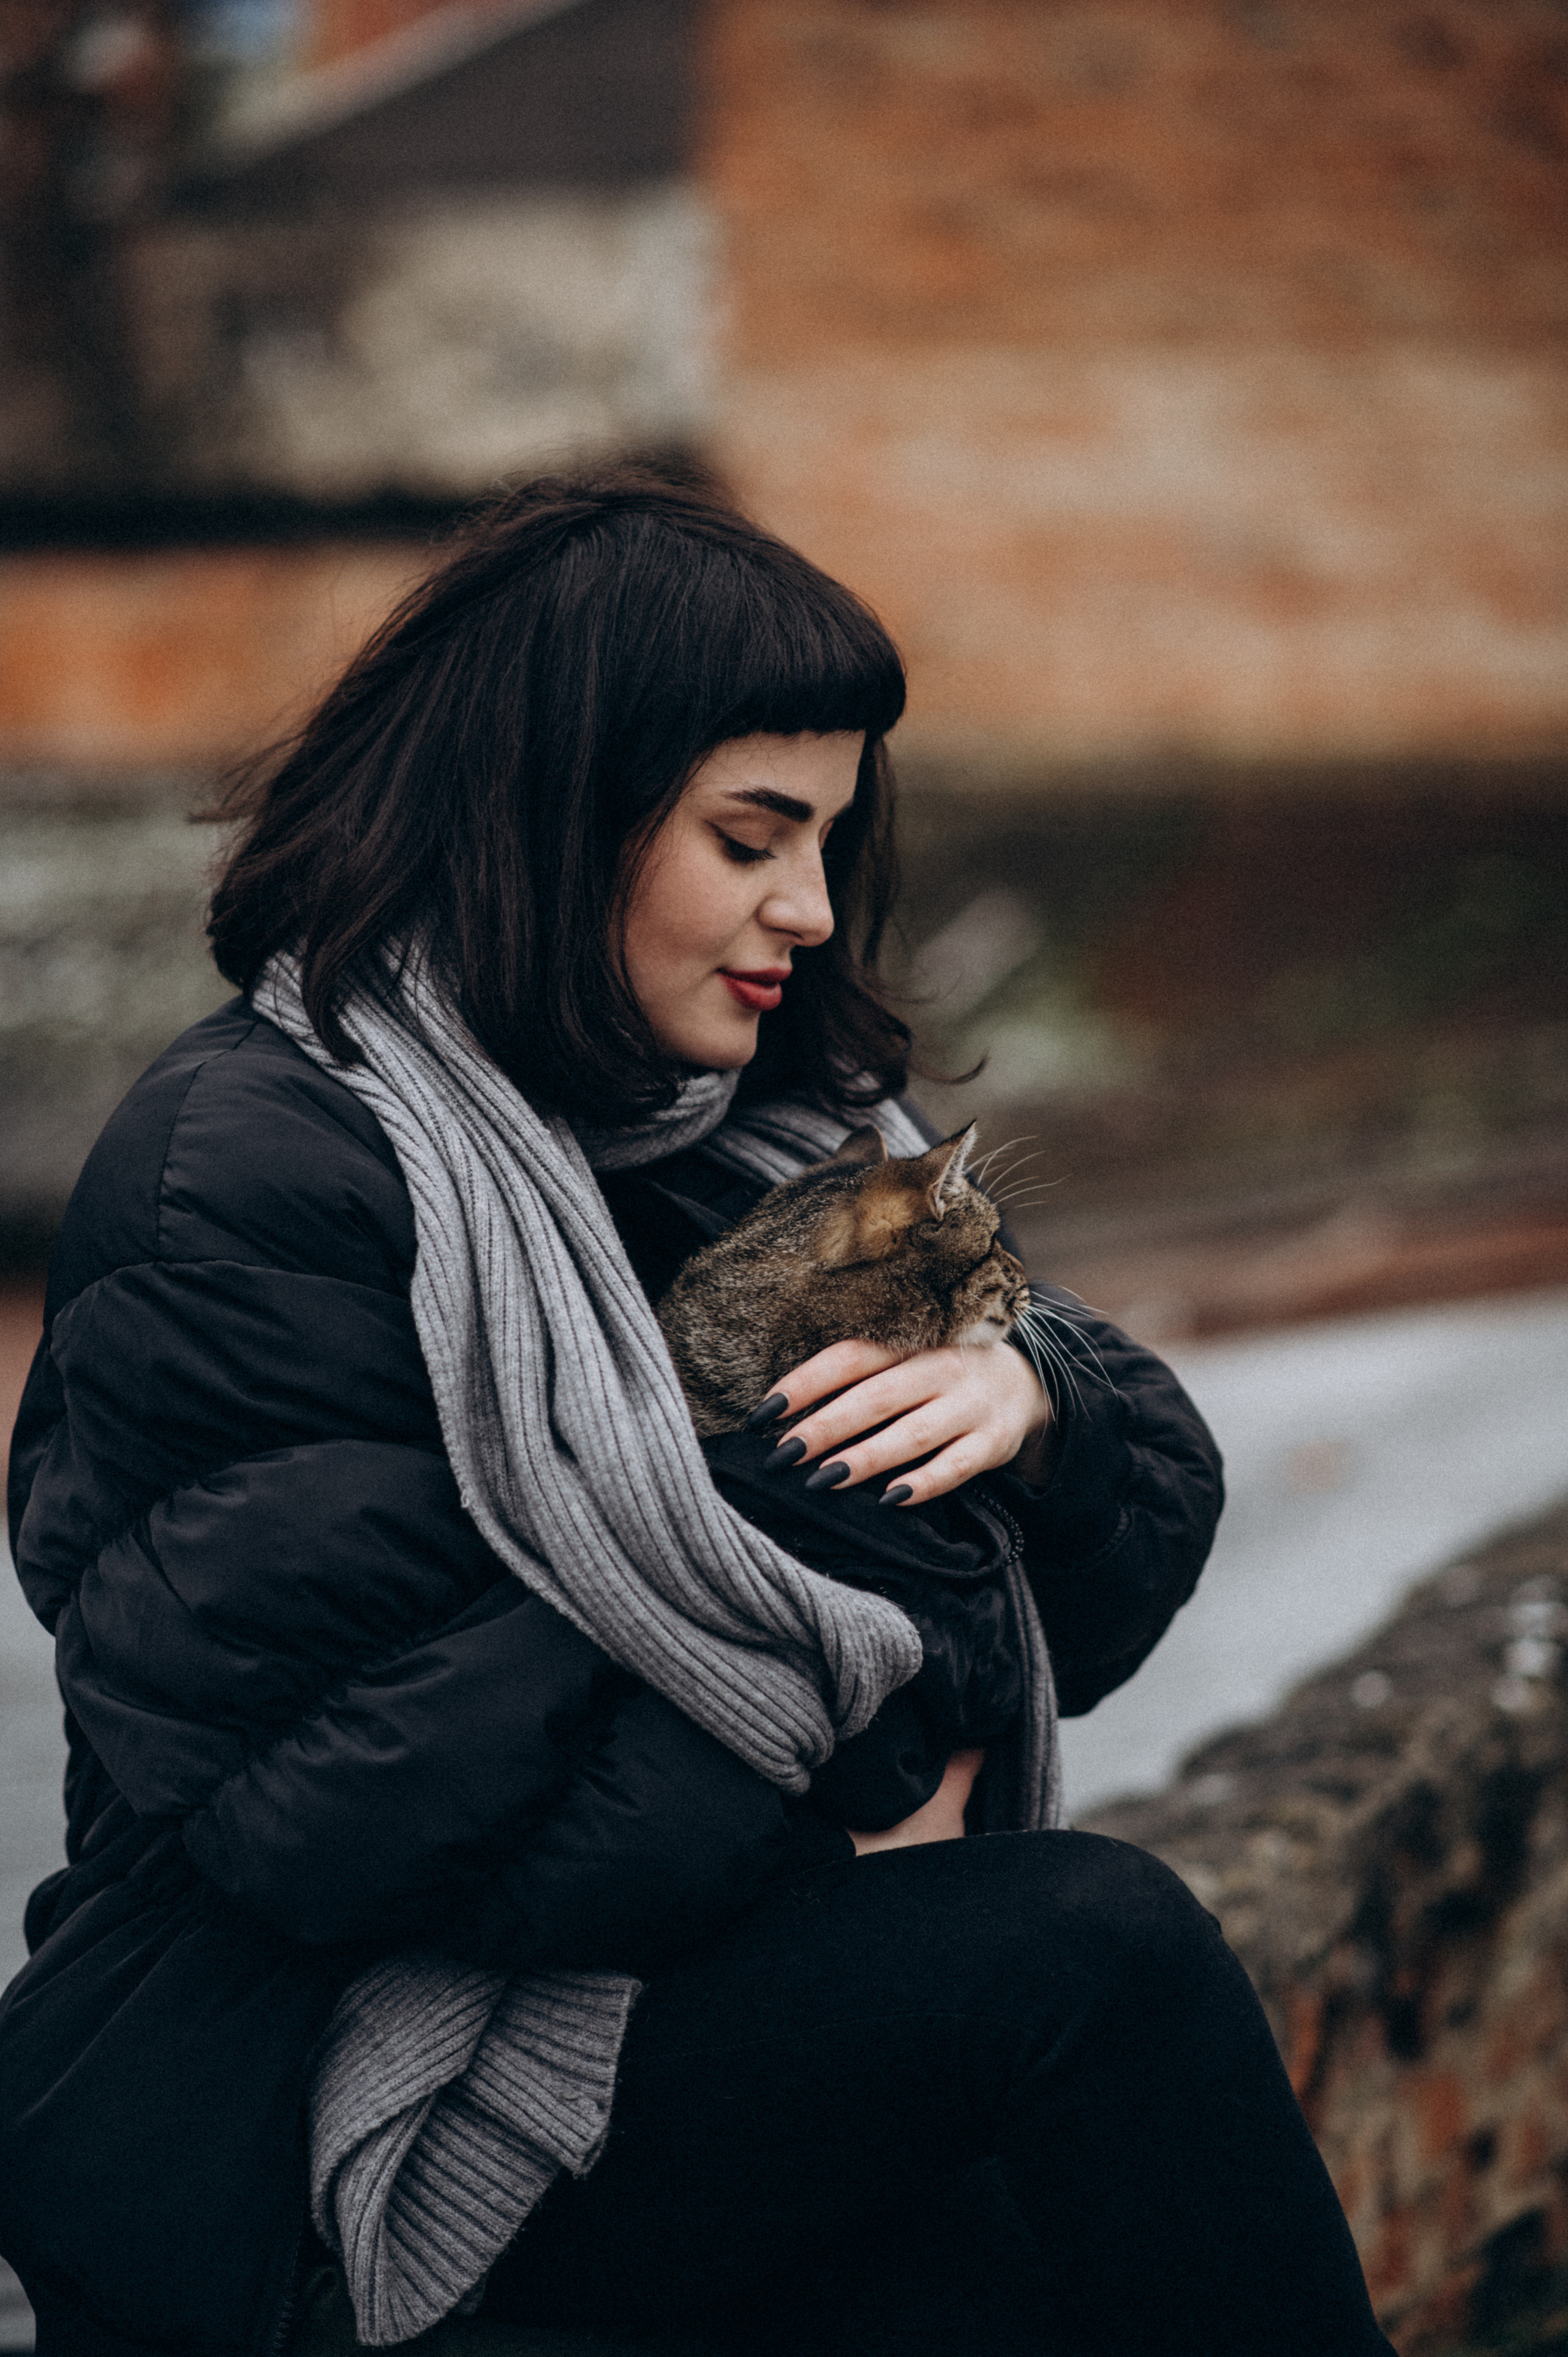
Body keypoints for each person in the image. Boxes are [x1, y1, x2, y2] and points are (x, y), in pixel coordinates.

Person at [1, 472, 1395, 2357]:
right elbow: (358, 1806)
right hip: (326, 2103)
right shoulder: (246, 1174)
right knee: (1092, 1958)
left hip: (673, 2002)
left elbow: (1096, 1576)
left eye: (829, 838)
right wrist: (860, 1754)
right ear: (560, 808)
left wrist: (1033, 1406)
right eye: (751, 838)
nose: (808, 909)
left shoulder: (756, 1125)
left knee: (1017, 2241)